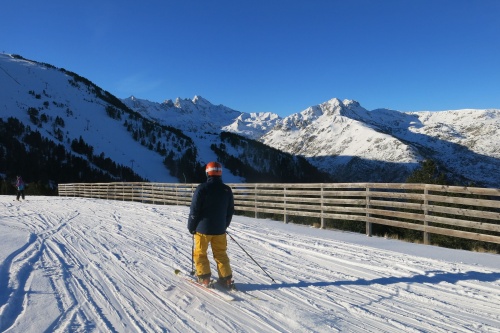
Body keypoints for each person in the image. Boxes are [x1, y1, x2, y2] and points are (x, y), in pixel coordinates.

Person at [187, 162, 235, 289]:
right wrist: (224, 225)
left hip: (202, 230)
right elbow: (230, 211)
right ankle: (227, 279)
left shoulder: (202, 188)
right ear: (220, 173)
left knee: (200, 253)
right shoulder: (226, 189)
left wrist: (191, 226)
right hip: (219, 230)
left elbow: (194, 210)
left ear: (207, 172)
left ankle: (204, 279)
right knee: (221, 254)